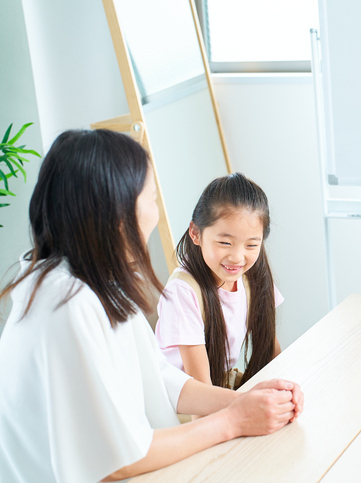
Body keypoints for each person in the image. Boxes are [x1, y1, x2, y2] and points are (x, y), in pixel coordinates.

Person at [0, 130, 303, 482]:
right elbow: (116, 461)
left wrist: (242, 401)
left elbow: (158, 377)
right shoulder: (66, 306)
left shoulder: (90, 282)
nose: (156, 213)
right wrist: (234, 420)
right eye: (152, 198)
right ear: (118, 213)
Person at [155, 173, 282, 390]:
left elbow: (274, 354)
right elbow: (201, 391)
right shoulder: (182, 290)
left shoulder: (252, 277)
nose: (237, 257)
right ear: (195, 233)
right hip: (182, 398)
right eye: (225, 242)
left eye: (251, 245)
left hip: (218, 388)